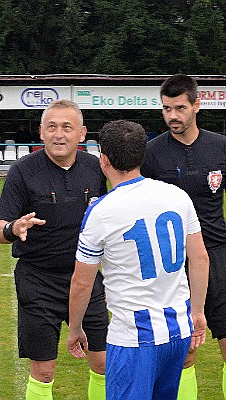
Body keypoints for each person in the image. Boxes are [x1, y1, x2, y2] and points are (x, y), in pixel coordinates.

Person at [67, 119, 209, 400]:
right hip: (177, 330)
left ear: (103, 159)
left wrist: (75, 329)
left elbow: (82, 283)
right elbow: (200, 257)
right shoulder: (177, 196)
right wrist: (198, 312)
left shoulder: (102, 212)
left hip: (134, 336)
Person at [0, 99, 108, 400]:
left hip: (86, 280)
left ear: (82, 134)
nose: (59, 134)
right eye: (52, 127)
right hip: (38, 281)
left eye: (67, 128)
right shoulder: (22, 170)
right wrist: (13, 228)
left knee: (104, 363)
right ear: (41, 132)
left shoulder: (96, 168)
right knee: (44, 370)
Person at [140, 73, 226, 399]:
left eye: (179, 108)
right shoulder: (151, 154)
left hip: (218, 257)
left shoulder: (221, 147)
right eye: (166, 109)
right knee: (184, 352)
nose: (172, 116)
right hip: (172, 264)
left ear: (196, 106)